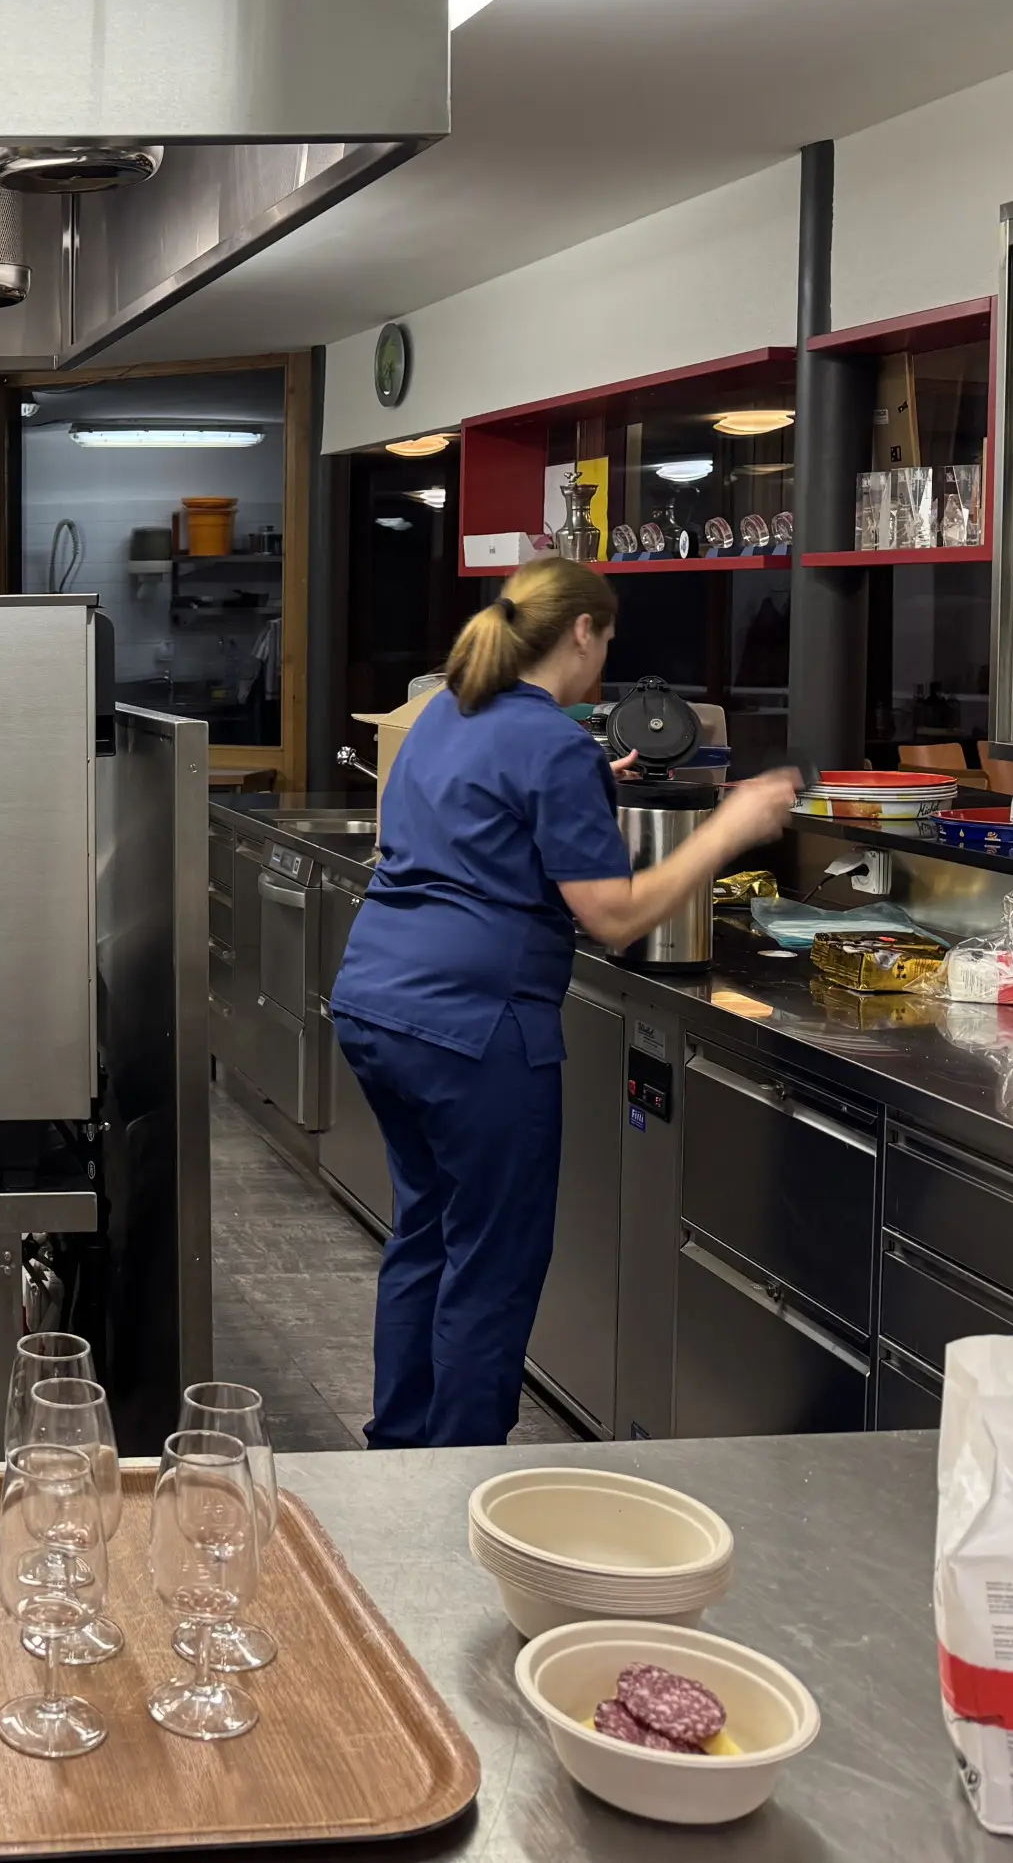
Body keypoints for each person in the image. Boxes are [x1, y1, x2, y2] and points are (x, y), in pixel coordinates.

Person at [327, 558, 799, 1447]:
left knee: (427, 1230)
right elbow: (613, 916)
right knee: (493, 1263)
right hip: (475, 1023)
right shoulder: (550, 746)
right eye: (608, 638)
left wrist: (590, 781)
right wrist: (727, 832)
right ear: (582, 631)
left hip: (378, 1000)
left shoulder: (446, 714)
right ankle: (455, 1470)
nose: (606, 657)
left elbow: (451, 821)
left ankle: (397, 1455)